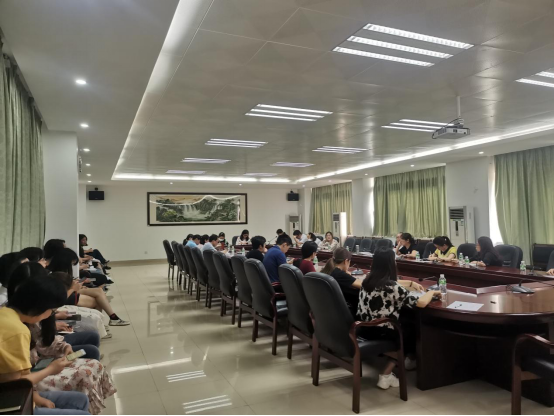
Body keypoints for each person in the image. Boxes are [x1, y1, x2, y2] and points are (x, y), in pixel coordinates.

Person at [0, 274, 91, 415]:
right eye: (52, 311)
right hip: (11, 403)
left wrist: (38, 399)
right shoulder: (17, 331)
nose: (50, 315)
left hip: (20, 393)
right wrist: (51, 369)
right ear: (41, 307)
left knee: (81, 400)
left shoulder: (5, 313)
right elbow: (15, 385)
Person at [358, 248, 442, 390]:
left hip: (364, 328)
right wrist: (432, 292)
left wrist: (410, 283)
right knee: (412, 330)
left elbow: (390, 283)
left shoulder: (367, 280)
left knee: (406, 322)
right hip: (382, 332)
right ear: (391, 264)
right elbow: (420, 303)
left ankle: (408, 360)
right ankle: (387, 374)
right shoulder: (392, 287)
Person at [48, 249, 130, 327]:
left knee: (99, 291)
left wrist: (76, 285)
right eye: (71, 263)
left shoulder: (57, 272)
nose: (71, 266)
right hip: (66, 296)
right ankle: (105, 321)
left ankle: (106, 321)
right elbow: (61, 295)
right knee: (97, 299)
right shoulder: (56, 275)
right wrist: (74, 288)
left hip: (68, 293)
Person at [321, 248, 362, 317]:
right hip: (345, 313)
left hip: (329, 310)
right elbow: (363, 285)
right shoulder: (340, 274)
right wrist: (349, 276)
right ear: (346, 261)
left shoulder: (329, 270)